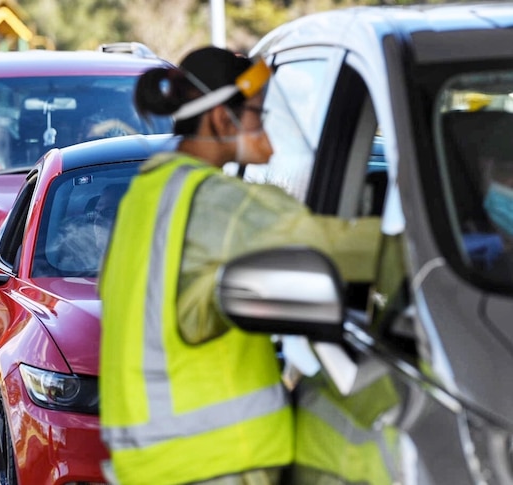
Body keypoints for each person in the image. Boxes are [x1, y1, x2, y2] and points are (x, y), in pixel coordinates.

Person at [98, 46, 381, 485]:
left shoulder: (145, 196)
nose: (263, 126)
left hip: (153, 465)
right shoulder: (214, 201)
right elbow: (345, 249)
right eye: (255, 113)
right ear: (218, 118)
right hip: (214, 463)